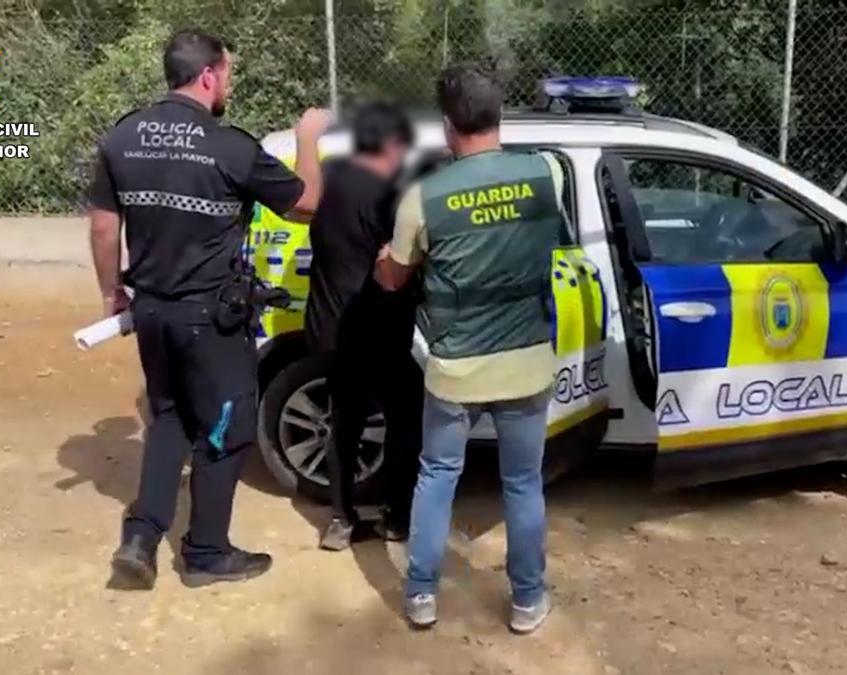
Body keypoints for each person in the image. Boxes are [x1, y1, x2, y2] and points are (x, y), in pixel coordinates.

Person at [88, 29, 332, 590]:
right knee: (227, 428)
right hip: (211, 320)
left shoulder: (122, 137)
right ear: (208, 75)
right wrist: (308, 139)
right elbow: (309, 204)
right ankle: (205, 553)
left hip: (151, 311)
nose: (230, 82)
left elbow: (104, 225)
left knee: (170, 417)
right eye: (229, 73)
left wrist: (111, 293)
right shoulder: (228, 146)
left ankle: (141, 538)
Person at [375, 64, 570, 634]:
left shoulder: (424, 196)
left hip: (456, 369)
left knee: (436, 475)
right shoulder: (545, 176)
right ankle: (529, 600)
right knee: (523, 484)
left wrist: (384, 260)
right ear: (499, 116)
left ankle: (420, 596)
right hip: (527, 362)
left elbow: (394, 279)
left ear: (446, 127)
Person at [304, 102, 422, 551]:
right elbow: (400, 264)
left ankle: (340, 519)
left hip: (329, 327)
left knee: (344, 421)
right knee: (406, 417)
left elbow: (302, 200)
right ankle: (396, 515)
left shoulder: (329, 175)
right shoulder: (394, 191)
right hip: (379, 327)